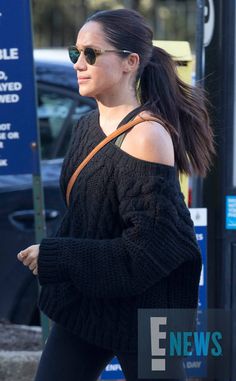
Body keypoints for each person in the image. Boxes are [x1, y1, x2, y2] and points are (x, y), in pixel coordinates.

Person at [17, 8, 215, 381]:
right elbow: (85, 219)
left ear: (130, 62)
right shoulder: (86, 126)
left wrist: (56, 256)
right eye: (75, 53)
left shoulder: (146, 136)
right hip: (92, 299)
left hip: (148, 312)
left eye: (91, 53)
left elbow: (147, 251)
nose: (79, 63)